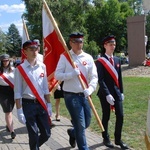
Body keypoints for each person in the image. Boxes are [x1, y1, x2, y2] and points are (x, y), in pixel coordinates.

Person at [55, 32, 98, 150]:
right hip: (71, 96)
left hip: (85, 95)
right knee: (80, 125)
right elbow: (57, 75)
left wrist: (90, 89)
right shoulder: (65, 56)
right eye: (76, 42)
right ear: (70, 43)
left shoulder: (88, 57)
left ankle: (72, 132)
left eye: (81, 41)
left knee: (87, 122)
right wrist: (71, 74)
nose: (79, 44)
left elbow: (94, 76)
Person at [14, 40, 52, 150]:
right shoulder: (19, 69)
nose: (34, 51)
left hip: (41, 104)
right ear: (24, 51)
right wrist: (19, 110)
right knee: (34, 134)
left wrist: (49, 103)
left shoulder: (42, 66)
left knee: (46, 133)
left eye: (36, 48)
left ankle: (34, 148)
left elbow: (45, 87)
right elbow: (17, 91)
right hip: (28, 104)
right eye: (31, 49)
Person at [95, 35, 129, 149]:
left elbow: (119, 78)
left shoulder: (117, 60)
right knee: (106, 116)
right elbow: (101, 79)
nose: (113, 46)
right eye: (110, 44)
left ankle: (118, 139)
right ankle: (106, 137)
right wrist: (107, 94)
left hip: (116, 92)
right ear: (105, 45)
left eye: (114, 44)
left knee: (120, 115)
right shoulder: (100, 61)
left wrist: (122, 92)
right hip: (105, 94)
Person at [0, 54, 16, 139]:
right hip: (2, 92)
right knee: (8, 111)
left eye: (6, 60)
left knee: (10, 109)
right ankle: (12, 131)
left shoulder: (14, 70)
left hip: (12, 91)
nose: (5, 62)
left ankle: (8, 124)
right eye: (3, 61)